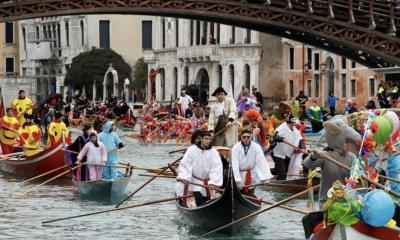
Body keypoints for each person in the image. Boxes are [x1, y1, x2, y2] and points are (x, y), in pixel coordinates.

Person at [304, 115, 361, 207]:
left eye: (350, 142)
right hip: (328, 204)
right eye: (346, 141)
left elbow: (359, 176)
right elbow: (307, 164)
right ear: (337, 140)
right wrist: (313, 156)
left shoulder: (352, 157)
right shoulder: (326, 155)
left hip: (347, 204)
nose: (349, 144)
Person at [176, 130, 223, 207]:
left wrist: (213, 182)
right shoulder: (192, 150)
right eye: (206, 139)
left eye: (209, 139)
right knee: (198, 198)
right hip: (194, 182)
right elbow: (185, 164)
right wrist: (184, 177)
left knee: (207, 201)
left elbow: (217, 167)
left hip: (207, 184)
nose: (208, 141)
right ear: (201, 139)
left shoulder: (214, 152)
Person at [231, 128, 273, 196]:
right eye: (244, 137)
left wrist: (265, 178)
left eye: (248, 137)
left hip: (251, 175)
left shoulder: (256, 147)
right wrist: (237, 181)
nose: (246, 138)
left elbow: (261, 161)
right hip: (240, 175)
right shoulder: (236, 148)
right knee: (239, 194)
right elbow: (234, 164)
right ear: (241, 137)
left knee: (249, 193)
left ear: (251, 136)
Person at [272, 114, 304, 180]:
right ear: (290, 122)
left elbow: (300, 140)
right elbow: (274, 137)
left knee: (285, 171)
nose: (295, 124)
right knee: (282, 173)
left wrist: (303, 148)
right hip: (279, 154)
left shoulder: (294, 129)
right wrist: (282, 139)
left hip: (288, 154)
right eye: (293, 123)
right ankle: (280, 185)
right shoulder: (281, 128)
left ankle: (278, 177)